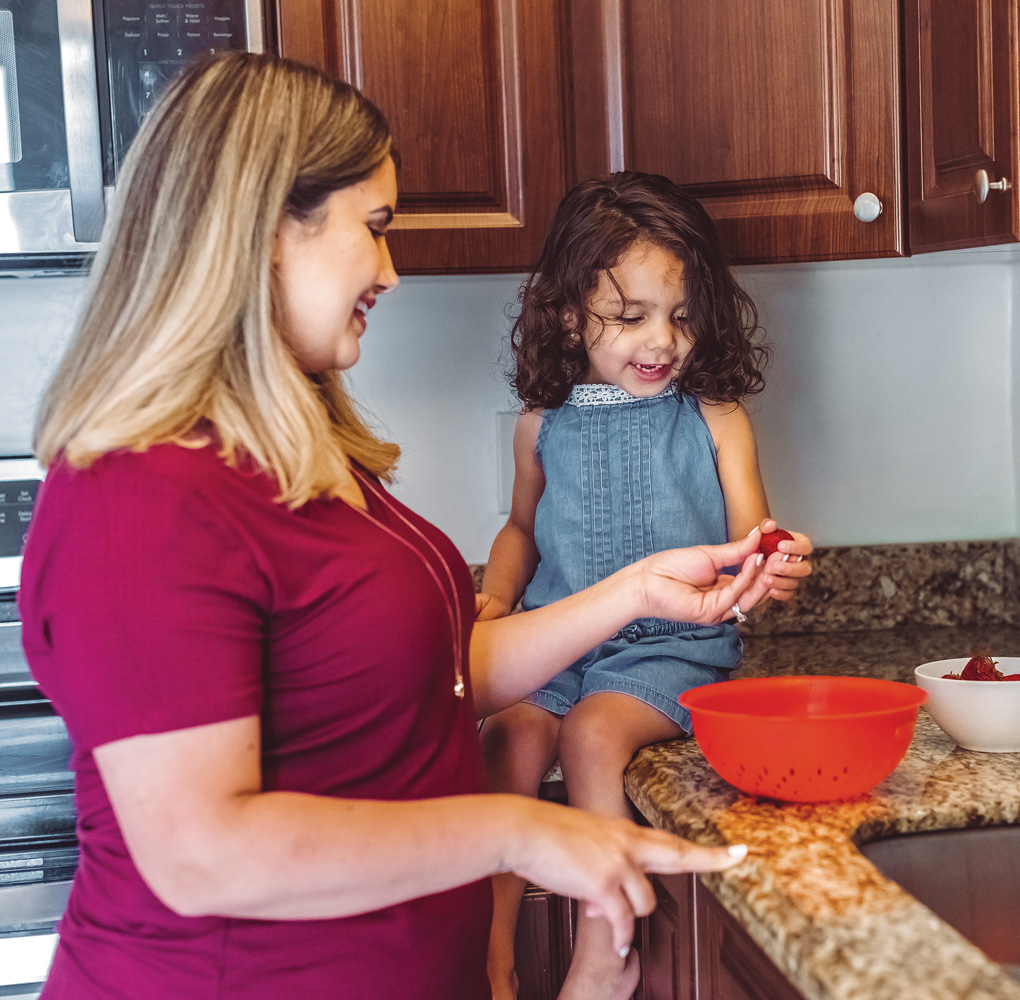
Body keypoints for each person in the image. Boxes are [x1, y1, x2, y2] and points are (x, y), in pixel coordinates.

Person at [17, 54, 777, 1000]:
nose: (391, 269)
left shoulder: (299, 451)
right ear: (261, 230)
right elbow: (201, 854)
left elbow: (437, 672)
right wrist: (519, 830)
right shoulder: (140, 493)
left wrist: (632, 592)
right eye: (373, 230)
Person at [476, 171, 814, 1000]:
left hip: (673, 649)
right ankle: (490, 951)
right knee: (509, 737)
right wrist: (495, 598)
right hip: (560, 637)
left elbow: (753, 541)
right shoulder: (540, 423)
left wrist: (776, 565)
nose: (661, 340)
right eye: (630, 317)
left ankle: (605, 945)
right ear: (567, 312)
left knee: (593, 733)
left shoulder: (716, 416)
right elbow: (521, 529)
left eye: (683, 315)